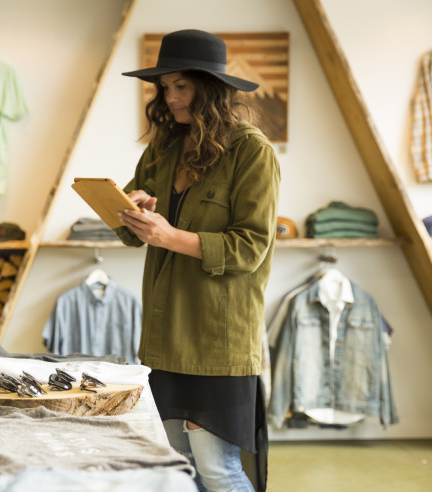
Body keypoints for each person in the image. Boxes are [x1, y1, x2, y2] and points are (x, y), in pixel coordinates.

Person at [117, 30, 280, 492]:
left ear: (209, 89)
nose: (169, 97)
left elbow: (250, 247)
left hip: (218, 341)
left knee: (216, 470)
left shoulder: (252, 152)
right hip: (165, 337)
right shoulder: (165, 147)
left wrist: (170, 236)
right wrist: (134, 209)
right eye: (164, 88)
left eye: (180, 86)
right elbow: (132, 232)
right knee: (176, 469)